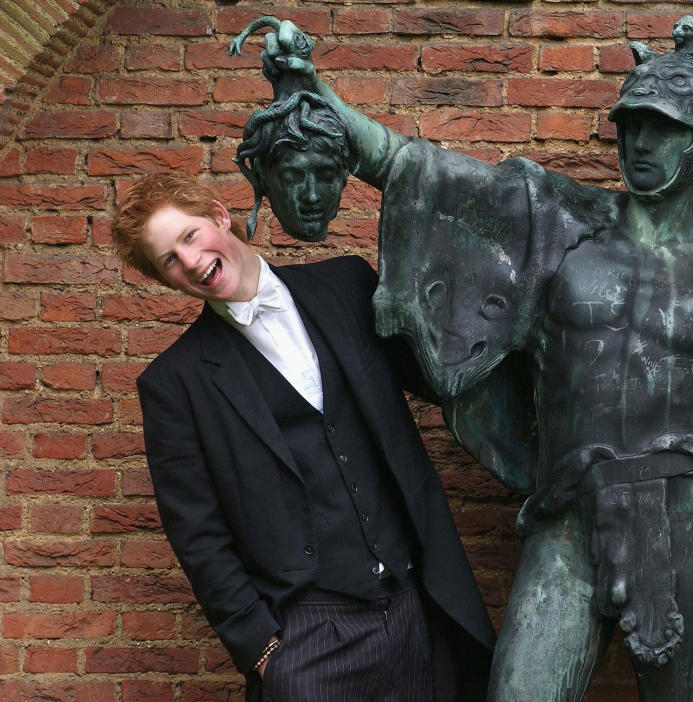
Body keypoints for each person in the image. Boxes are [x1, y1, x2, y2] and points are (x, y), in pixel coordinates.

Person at [230, 14, 693, 702]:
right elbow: (411, 166)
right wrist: (310, 90)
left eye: (666, 128)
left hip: (685, 526)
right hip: (568, 514)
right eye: (633, 124)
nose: (642, 142)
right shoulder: (559, 227)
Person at [111, 171, 495, 702]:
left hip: (417, 609)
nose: (191, 261)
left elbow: (445, 377)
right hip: (310, 641)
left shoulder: (347, 285)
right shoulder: (175, 385)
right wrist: (266, 653)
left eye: (190, 236)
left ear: (221, 216)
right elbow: (198, 534)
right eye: (169, 261)